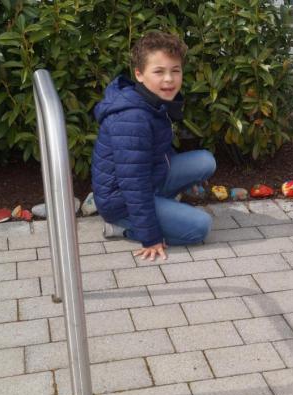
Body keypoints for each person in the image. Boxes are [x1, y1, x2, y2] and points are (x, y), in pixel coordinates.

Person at [91, 31, 216, 261]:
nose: (169, 79)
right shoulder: (133, 118)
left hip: (150, 177)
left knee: (206, 160)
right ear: (139, 74)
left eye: (175, 71)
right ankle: (123, 227)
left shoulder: (153, 100)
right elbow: (133, 183)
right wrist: (150, 236)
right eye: (159, 72)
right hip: (121, 200)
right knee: (200, 227)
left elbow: (157, 152)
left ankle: (161, 205)